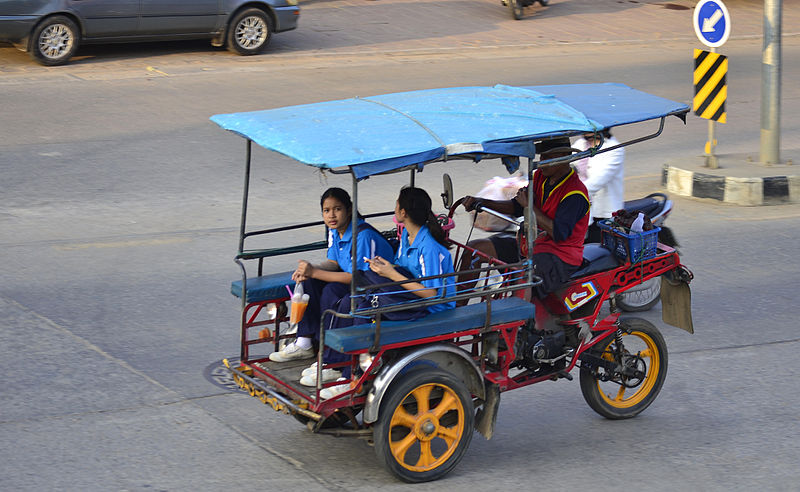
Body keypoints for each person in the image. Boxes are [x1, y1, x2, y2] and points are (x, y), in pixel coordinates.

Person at [318, 186, 456, 399]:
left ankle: (352, 377)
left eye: (397, 205)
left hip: (427, 308)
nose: (395, 208)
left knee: (363, 308)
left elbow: (431, 294)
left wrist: (390, 273)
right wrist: (382, 268)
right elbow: (400, 269)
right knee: (352, 300)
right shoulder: (407, 238)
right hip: (406, 296)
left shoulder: (428, 246)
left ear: (403, 213)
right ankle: (338, 364)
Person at [268, 187, 394, 379]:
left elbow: (357, 277)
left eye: (337, 209)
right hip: (354, 281)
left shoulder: (363, 236)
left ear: (349, 209)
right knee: (310, 282)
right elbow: (334, 263)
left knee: (332, 292)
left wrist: (316, 271)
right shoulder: (335, 231)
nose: (332, 215)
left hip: (373, 288)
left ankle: (333, 361)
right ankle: (304, 343)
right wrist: (310, 270)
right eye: (327, 211)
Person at [457, 136, 590, 300]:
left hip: (560, 257)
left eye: (547, 157)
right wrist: (483, 202)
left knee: (520, 275)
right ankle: (458, 309)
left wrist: (529, 206)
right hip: (531, 244)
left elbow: (559, 232)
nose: (542, 161)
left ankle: (518, 323)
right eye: (542, 156)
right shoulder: (540, 177)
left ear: (563, 157)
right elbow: (517, 206)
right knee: (475, 248)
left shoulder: (575, 193)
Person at [573, 129, 625, 243]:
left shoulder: (614, 149)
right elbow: (565, 163)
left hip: (603, 214)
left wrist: (571, 193)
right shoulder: (581, 144)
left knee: (595, 250)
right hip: (583, 208)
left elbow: (597, 181)